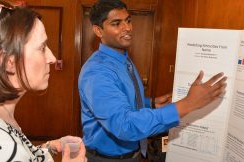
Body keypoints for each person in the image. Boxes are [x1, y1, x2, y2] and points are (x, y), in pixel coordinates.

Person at [78, 0, 227, 162]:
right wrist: (188, 103)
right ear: (98, 31)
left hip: (133, 154)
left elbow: (121, 100)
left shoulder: (123, 58)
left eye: (128, 20)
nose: (127, 28)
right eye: (116, 23)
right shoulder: (97, 72)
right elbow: (124, 126)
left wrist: (152, 103)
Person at [0, 1, 87, 162]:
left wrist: (50, 146)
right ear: (7, 61)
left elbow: (21, 153)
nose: (52, 58)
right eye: (42, 48)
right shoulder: (1, 147)